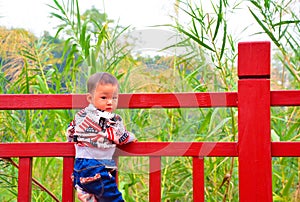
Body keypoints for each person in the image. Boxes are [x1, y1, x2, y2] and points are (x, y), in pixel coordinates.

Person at [66, 72, 137, 202]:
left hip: (79, 166)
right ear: (90, 98)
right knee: (114, 197)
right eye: (104, 98)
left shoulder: (80, 115)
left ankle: (84, 191)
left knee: (100, 192)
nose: (110, 102)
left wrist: (73, 141)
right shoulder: (110, 119)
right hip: (97, 166)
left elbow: (70, 132)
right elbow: (119, 137)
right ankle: (86, 193)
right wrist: (131, 137)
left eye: (114, 98)